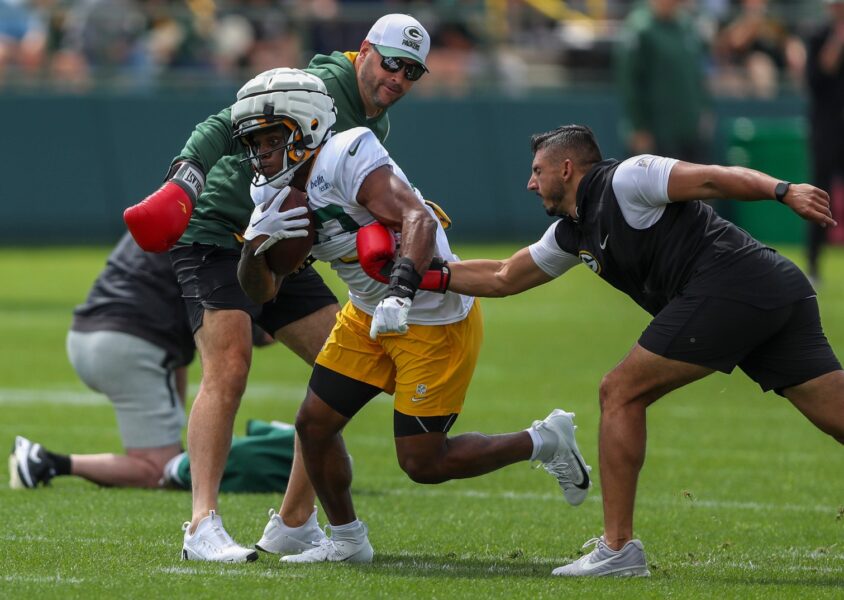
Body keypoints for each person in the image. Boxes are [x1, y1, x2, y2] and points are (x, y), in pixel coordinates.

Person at [416, 124, 844, 577]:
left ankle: (617, 549)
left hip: (733, 285)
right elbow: (504, 275)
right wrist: (426, 273)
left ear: (566, 168)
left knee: (620, 392)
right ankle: (617, 548)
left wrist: (784, 190)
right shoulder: (571, 233)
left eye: (537, 171)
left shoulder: (628, 178)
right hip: (772, 288)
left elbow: (714, 178)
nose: (530, 182)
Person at [232, 69, 593, 564]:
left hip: (429, 313)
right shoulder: (267, 195)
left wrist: (400, 292)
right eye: (255, 142)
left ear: (308, 127)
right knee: (313, 426)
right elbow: (265, 290)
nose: (262, 153)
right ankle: (347, 540)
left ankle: (544, 441)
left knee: (423, 462)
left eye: (272, 139)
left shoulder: (347, 153)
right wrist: (253, 250)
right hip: (365, 313)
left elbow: (416, 218)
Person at [121, 14, 439, 563]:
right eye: (392, 62)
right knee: (230, 365)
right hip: (218, 231)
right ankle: (202, 524)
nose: (399, 77)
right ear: (363, 51)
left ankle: (294, 522)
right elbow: (226, 120)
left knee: (345, 367)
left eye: (413, 71)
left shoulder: (374, 124)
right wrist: (185, 180)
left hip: (283, 241)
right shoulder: (318, 82)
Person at [8, 232, 296, 494]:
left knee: (170, 455)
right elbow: (255, 330)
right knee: (158, 469)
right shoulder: (215, 229)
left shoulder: (176, 211)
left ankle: (49, 461)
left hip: (87, 335)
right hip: (130, 344)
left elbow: (179, 352)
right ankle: (46, 462)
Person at [615, 0, 713, 162]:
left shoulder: (688, 26)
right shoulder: (640, 28)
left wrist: (705, 108)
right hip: (657, 133)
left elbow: (698, 75)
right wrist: (638, 127)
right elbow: (629, 84)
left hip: (689, 130)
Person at [805, 0, 844, 284]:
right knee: (820, 195)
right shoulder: (819, 36)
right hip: (827, 128)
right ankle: (813, 264)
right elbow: (818, 76)